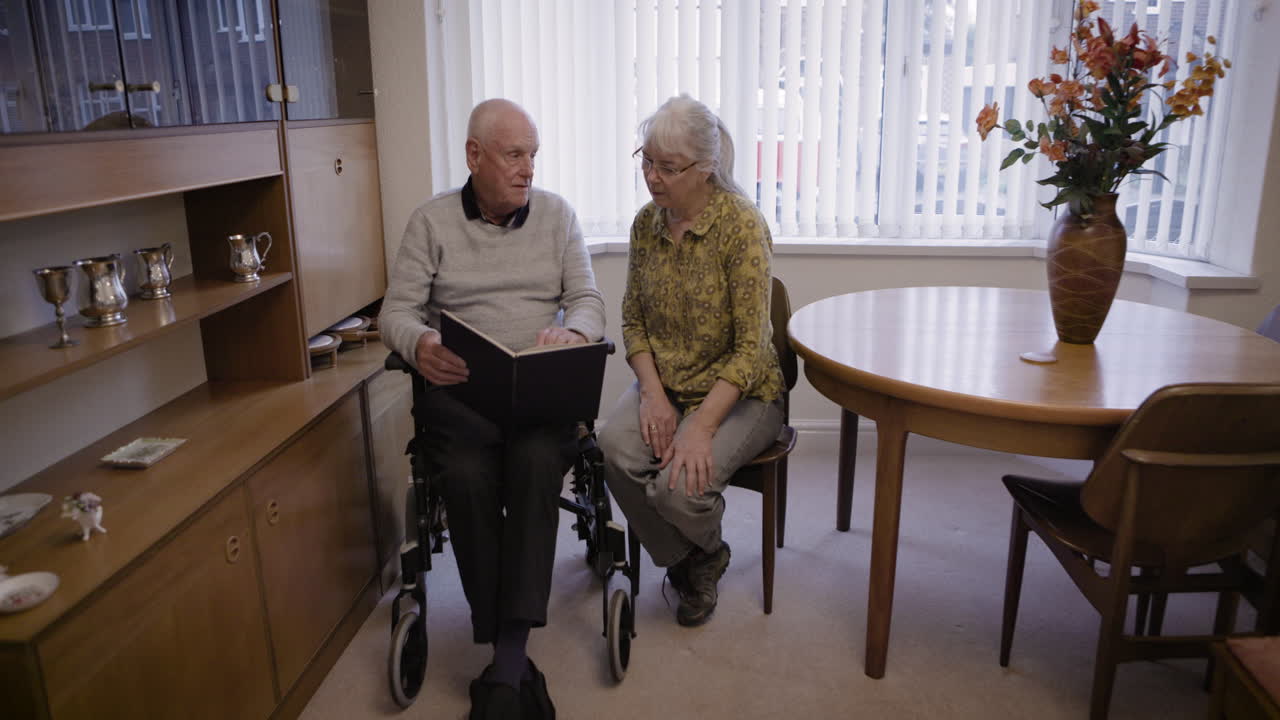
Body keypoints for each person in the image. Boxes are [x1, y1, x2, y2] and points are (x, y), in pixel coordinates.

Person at [379, 98, 605, 720]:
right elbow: (394, 312)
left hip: (537, 394)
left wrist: (576, 335)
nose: (528, 168)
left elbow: (586, 298)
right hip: (462, 395)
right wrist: (420, 343)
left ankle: (507, 659)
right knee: (470, 475)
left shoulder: (558, 217)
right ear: (474, 157)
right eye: (514, 154)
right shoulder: (430, 223)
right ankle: (509, 662)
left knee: (537, 462)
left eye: (533, 155)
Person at [598, 95, 784, 627]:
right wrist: (653, 396)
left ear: (706, 170)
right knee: (611, 450)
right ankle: (699, 557)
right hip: (669, 385)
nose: (653, 178)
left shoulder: (741, 226)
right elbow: (633, 320)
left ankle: (691, 549)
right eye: (646, 161)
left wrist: (701, 426)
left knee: (678, 490)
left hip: (743, 393)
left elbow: (751, 347)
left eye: (668, 167)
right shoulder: (645, 225)